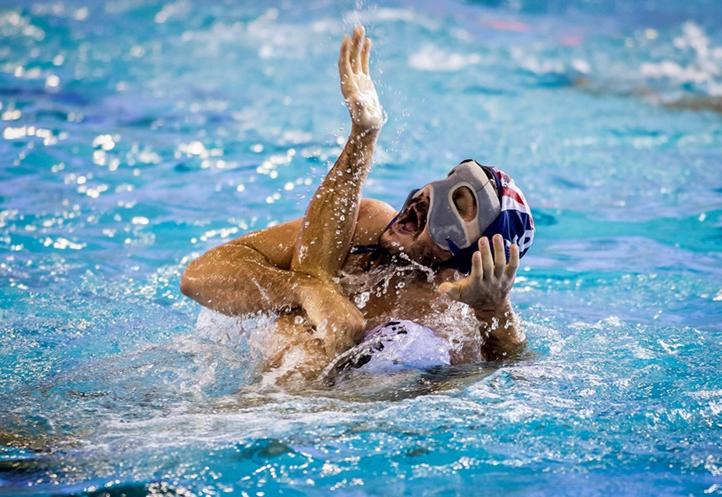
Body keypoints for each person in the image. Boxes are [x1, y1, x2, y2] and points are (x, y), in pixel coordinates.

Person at [180, 26, 534, 387]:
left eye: (459, 205)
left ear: (473, 254)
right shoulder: (364, 225)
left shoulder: (452, 320)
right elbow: (197, 278)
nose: (430, 194)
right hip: (264, 399)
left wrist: (494, 309)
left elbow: (517, 373)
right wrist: (306, 291)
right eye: (446, 181)